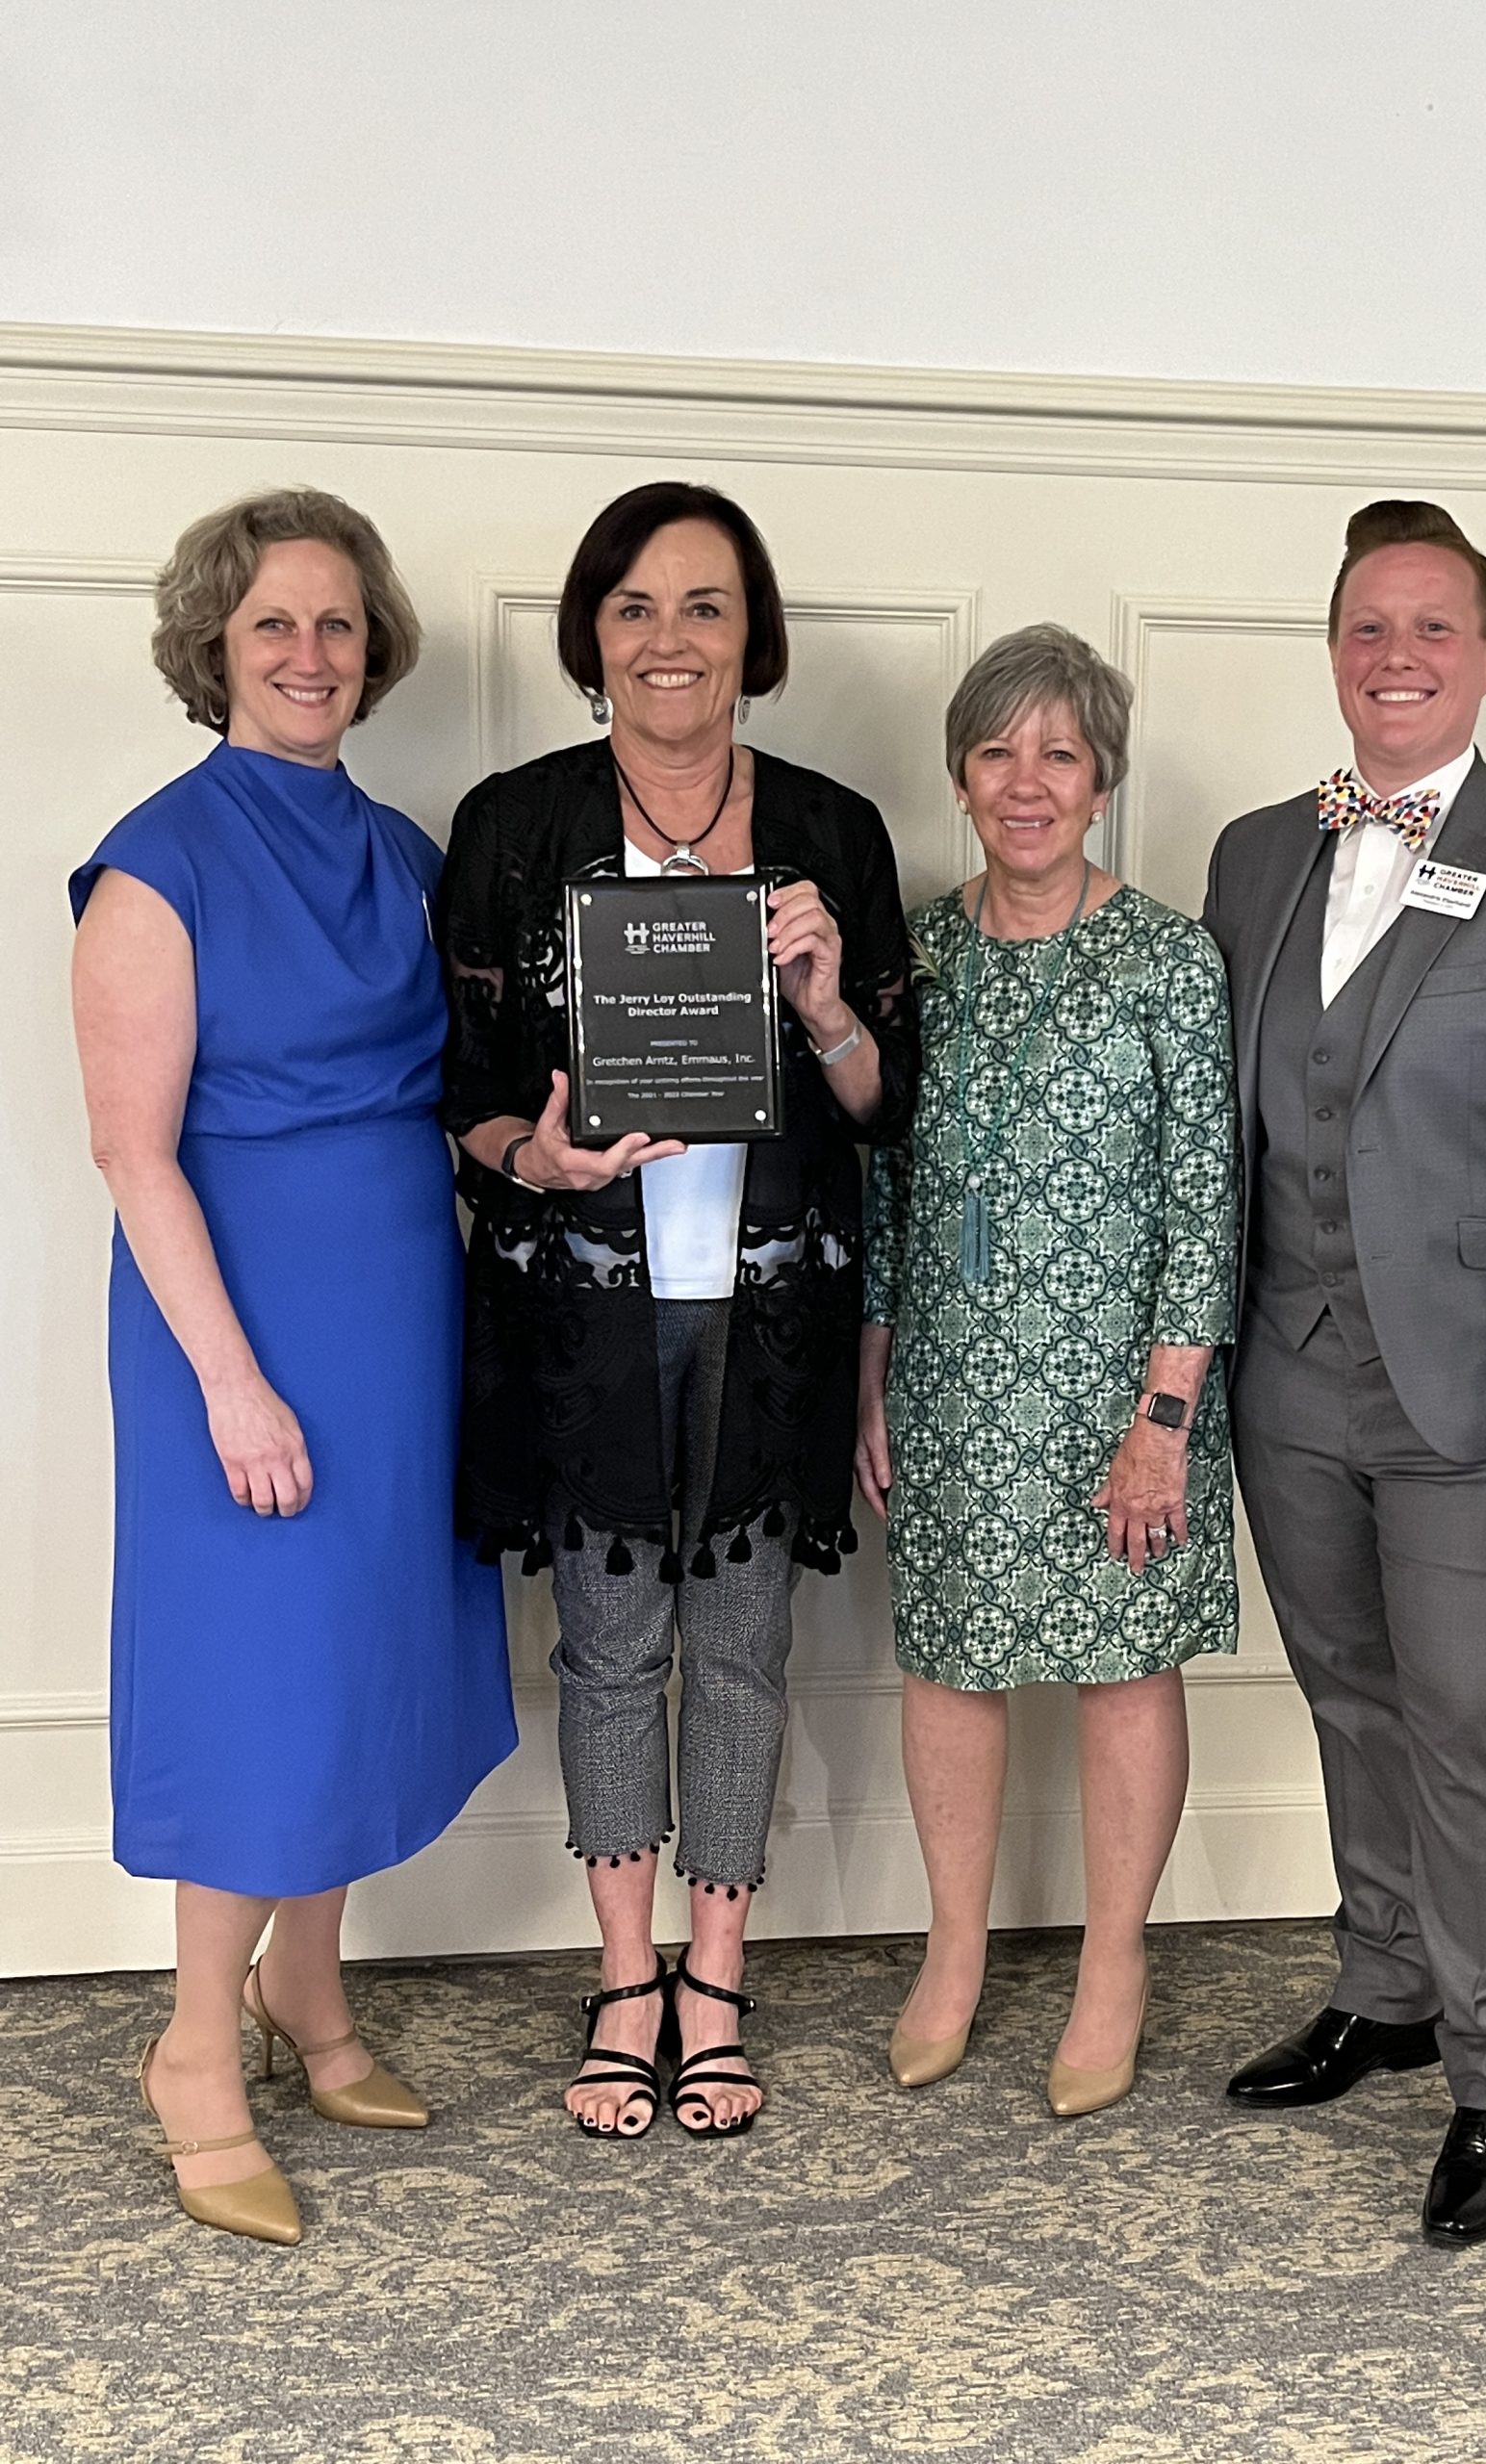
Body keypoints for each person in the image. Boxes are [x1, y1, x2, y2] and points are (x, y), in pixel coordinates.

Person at [1203, 500, 1486, 2246]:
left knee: (1475, 1724)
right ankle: (1388, 1987)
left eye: (1430, 629)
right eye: (1366, 628)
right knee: (1350, 1696)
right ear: (1333, 652)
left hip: (1483, 1396)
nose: (1395, 657)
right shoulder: (1256, 854)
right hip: (1291, 1375)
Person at [439, 481, 917, 2141]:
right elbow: (464, 1096)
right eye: (634, 606)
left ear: (750, 637)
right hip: (585, 1310)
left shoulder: (835, 830)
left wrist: (826, 1006)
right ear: (593, 634)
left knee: (745, 1648)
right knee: (608, 1648)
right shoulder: (515, 827)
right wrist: (542, 1156)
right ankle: (625, 1978)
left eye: (704, 605)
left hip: (773, 1309)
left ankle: (717, 1980)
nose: (668, 639)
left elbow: (888, 1104)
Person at [70, 489, 517, 2247]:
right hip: (236, 1324)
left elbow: (452, 1098)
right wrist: (232, 1384)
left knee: (362, 1660)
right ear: (216, 646)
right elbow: (133, 1153)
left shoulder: (407, 853)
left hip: (400, 1310)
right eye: (274, 624)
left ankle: (306, 1992)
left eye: (337, 623)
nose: (311, 654)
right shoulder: (156, 861)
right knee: (259, 1677)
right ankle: (195, 2045)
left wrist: (541, 1149)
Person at [857, 623, 1240, 2118]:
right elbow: (883, 1185)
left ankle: (1112, 1963)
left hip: (1124, 1388)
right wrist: (873, 1376)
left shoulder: (1167, 958)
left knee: (1123, 1666)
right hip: (951, 1381)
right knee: (950, 1661)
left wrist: (1164, 1420)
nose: (1028, 781)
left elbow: (1206, 1200)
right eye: (998, 751)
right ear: (960, 775)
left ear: (1101, 782)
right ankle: (953, 1952)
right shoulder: (915, 954)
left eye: (1060, 754)